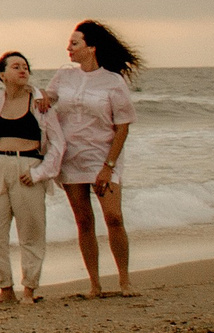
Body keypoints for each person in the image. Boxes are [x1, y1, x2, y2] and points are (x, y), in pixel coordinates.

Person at [43, 19, 141, 297]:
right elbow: (45, 101)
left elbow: (123, 125)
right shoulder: (64, 76)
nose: (68, 49)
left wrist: (108, 166)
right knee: (84, 221)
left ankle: (124, 281)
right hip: (71, 158)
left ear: (92, 48)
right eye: (69, 44)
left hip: (103, 158)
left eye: (75, 43)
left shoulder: (113, 81)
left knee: (113, 218)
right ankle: (95, 285)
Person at [0, 51, 63, 303]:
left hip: (28, 168)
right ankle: (5, 289)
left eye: (25, 66)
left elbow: (58, 144)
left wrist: (40, 173)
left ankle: (29, 290)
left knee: (32, 232)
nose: (23, 70)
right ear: (2, 75)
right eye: (16, 66)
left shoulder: (40, 104)